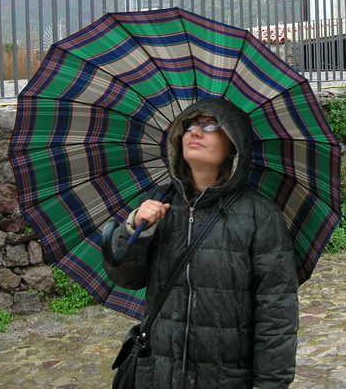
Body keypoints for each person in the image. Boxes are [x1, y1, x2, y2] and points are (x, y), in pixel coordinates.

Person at [103, 98, 299, 389]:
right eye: (189, 125)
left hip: (224, 378)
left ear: (233, 144)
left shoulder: (260, 215)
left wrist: (271, 384)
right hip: (159, 373)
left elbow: (276, 309)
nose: (195, 132)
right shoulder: (159, 202)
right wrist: (135, 229)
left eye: (210, 125)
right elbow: (126, 277)